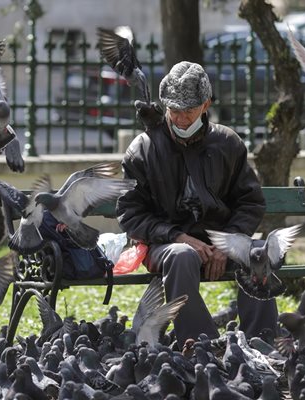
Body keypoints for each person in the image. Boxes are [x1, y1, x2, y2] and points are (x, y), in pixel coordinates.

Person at [116, 61, 278, 345]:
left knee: (258, 252)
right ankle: (201, 345)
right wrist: (177, 236)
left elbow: (250, 202)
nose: (179, 119)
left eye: (188, 111)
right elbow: (130, 215)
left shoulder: (228, 143)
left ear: (205, 105)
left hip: (220, 240)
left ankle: (261, 342)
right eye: (173, 110)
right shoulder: (142, 149)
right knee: (182, 254)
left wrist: (227, 243)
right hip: (165, 245)